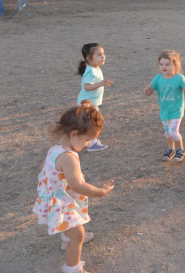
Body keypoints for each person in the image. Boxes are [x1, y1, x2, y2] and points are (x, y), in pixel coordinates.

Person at [32, 102, 115, 273]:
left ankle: (65, 238)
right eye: (87, 140)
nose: (87, 144)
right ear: (74, 134)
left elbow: (42, 169)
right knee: (78, 235)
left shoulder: (55, 149)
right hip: (62, 203)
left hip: (55, 197)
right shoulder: (68, 157)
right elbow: (78, 185)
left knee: (71, 231)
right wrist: (100, 192)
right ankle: (73, 269)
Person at [144, 50, 185, 163]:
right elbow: (149, 92)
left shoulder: (179, 77)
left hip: (176, 110)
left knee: (173, 132)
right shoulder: (157, 78)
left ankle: (180, 150)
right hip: (164, 111)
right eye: (161, 64)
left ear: (175, 65)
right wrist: (146, 91)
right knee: (167, 133)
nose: (164, 67)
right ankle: (171, 149)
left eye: (167, 64)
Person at [77, 43, 114, 152]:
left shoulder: (95, 68)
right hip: (87, 103)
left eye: (103, 54)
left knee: (88, 122)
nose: (103, 57)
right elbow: (87, 86)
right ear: (89, 58)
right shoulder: (91, 71)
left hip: (90, 102)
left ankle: (84, 141)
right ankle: (92, 144)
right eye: (99, 55)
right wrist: (100, 84)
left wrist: (103, 83)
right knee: (93, 123)